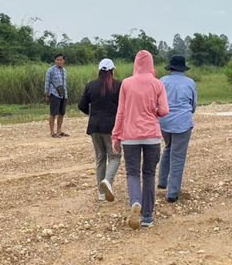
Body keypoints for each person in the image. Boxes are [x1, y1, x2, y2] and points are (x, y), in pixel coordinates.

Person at [112, 51, 170, 230]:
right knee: (149, 174)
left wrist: (116, 136)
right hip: (152, 136)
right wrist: (155, 111)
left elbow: (121, 111)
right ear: (151, 63)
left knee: (132, 173)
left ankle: (135, 201)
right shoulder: (158, 83)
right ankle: (147, 217)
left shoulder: (126, 83)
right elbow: (164, 110)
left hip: (130, 136)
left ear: (136, 64)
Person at [78, 59, 122, 202]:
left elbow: (82, 105)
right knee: (115, 157)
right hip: (111, 127)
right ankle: (107, 181)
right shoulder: (118, 85)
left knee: (100, 157)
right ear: (112, 71)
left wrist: (93, 114)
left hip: (95, 126)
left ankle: (101, 193)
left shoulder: (91, 85)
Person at [158, 55, 198, 203]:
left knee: (168, 147)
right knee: (178, 157)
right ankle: (173, 192)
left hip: (164, 122)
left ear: (171, 68)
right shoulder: (190, 82)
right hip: (182, 123)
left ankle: (162, 181)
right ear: (183, 68)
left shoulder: (162, 81)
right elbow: (193, 105)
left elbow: (158, 102)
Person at [45, 54, 70, 137]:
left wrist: (66, 94)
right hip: (54, 93)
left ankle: (59, 130)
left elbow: (65, 84)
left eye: (61, 60)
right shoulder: (50, 70)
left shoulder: (65, 71)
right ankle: (52, 132)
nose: (59, 61)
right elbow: (47, 82)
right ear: (55, 61)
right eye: (57, 60)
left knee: (62, 113)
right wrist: (47, 94)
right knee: (53, 113)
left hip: (63, 94)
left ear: (64, 61)